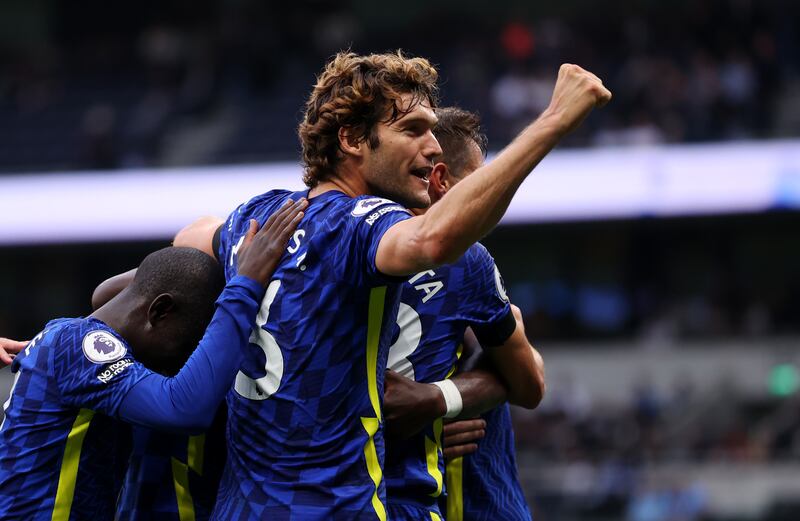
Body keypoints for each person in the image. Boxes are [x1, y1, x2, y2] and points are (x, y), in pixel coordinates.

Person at [174, 51, 609, 519]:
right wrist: (553, 121)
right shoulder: (362, 226)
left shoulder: (256, 216)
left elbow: (185, 247)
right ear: (353, 138)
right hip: (337, 507)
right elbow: (434, 238)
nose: (434, 146)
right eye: (412, 129)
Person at [0, 200, 305, 519]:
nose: (182, 361)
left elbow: (128, 287)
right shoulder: (80, 344)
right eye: (185, 345)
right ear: (160, 311)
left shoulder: (70, 341)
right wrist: (244, 281)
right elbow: (183, 409)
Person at [380, 107, 543, 521]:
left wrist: (442, 399)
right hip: (463, 502)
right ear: (442, 181)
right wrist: (436, 407)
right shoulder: (464, 263)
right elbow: (530, 384)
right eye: (480, 177)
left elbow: (528, 381)